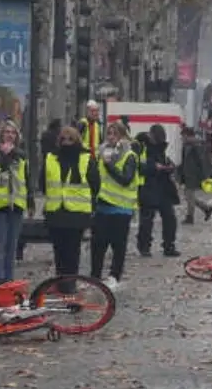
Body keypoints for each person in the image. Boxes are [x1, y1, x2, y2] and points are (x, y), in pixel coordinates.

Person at [42, 126, 99, 279]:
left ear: (77, 140)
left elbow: (95, 184)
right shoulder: (50, 158)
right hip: (56, 212)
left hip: (77, 214)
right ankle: (60, 281)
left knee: (72, 251)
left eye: (70, 139)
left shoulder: (86, 159)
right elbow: (43, 183)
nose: (67, 142)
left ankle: (70, 282)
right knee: (59, 251)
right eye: (63, 139)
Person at [91, 120, 138, 289]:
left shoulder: (129, 155)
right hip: (102, 205)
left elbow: (126, 179)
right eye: (108, 134)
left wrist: (109, 165)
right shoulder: (101, 153)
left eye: (115, 134)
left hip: (121, 207)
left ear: (122, 136)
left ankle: (114, 275)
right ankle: (94, 276)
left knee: (118, 244)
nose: (111, 137)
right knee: (97, 244)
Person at [0, 120, 30, 285]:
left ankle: (9, 279)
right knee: (0, 245)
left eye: (13, 133)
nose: (9, 135)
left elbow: (25, 179)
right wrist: (5, 156)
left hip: (17, 205)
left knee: (12, 246)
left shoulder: (21, 156)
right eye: (6, 132)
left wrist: (30, 200)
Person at [136, 124, 180, 257]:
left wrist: (169, 166)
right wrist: (154, 167)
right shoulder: (140, 146)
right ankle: (144, 247)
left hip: (163, 186)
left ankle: (169, 245)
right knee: (147, 219)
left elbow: (165, 160)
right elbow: (138, 166)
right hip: (148, 186)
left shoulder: (160, 148)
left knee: (170, 217)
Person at [179, 126, 212, 225]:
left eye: (183, 135)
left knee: (189, 195)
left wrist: (204, 176)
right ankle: (206, 208)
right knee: (188, 196)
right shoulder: (186, 146)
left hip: (193, 174)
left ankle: (190, 217)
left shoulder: (196, 146)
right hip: (188, 174)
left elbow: (201, 161)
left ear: (187, 135)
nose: (182, 137)